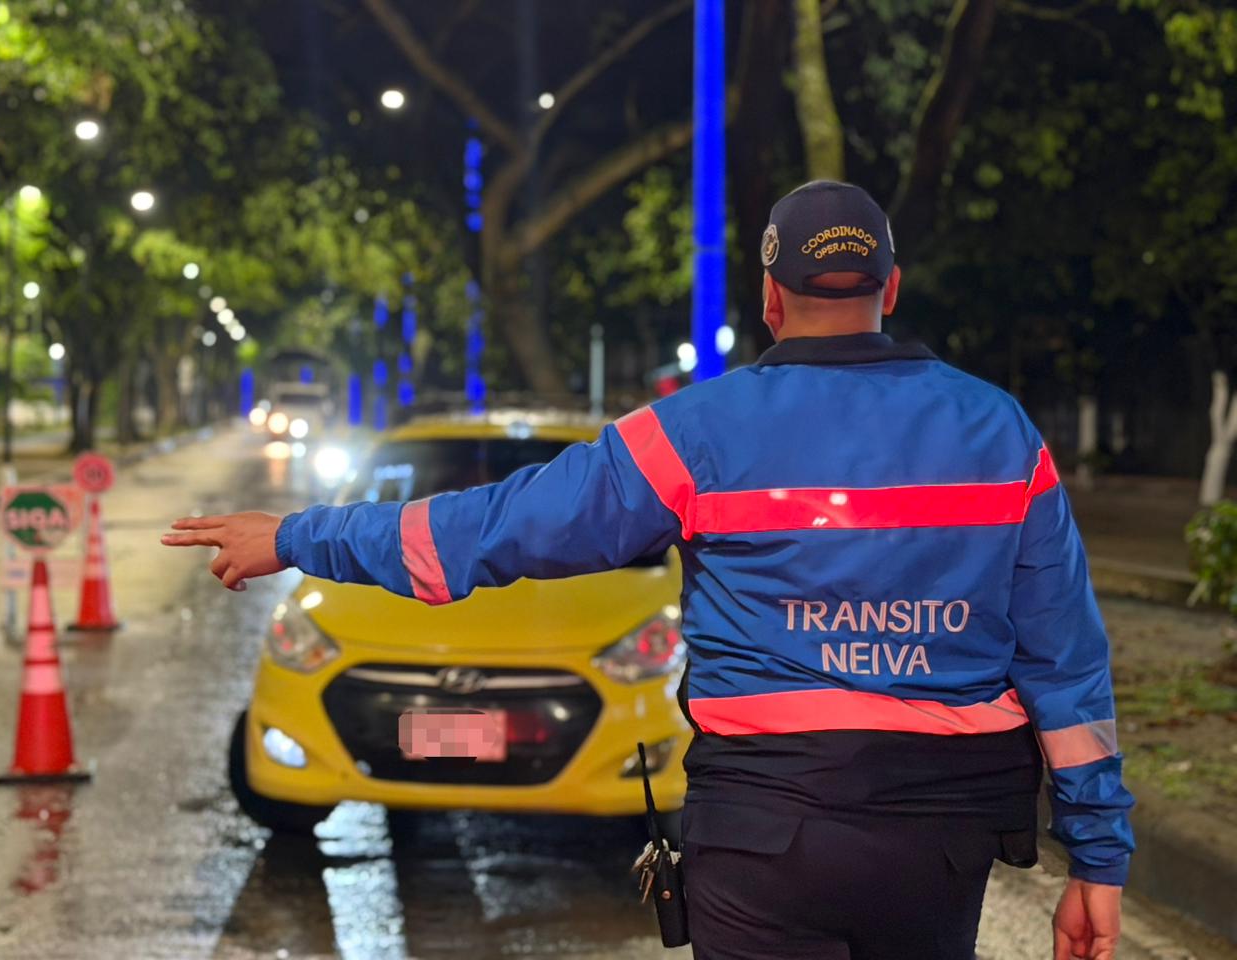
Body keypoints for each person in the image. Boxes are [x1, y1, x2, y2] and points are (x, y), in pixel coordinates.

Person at [163, 180, 1133, 960]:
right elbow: (1065, 667)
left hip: (764, 834)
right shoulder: (998, 433)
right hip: (941, 839)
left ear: (767, 295)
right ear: (890, 284)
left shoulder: (701, 431)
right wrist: (1097, 857)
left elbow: (490, 530)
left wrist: (297, 537)